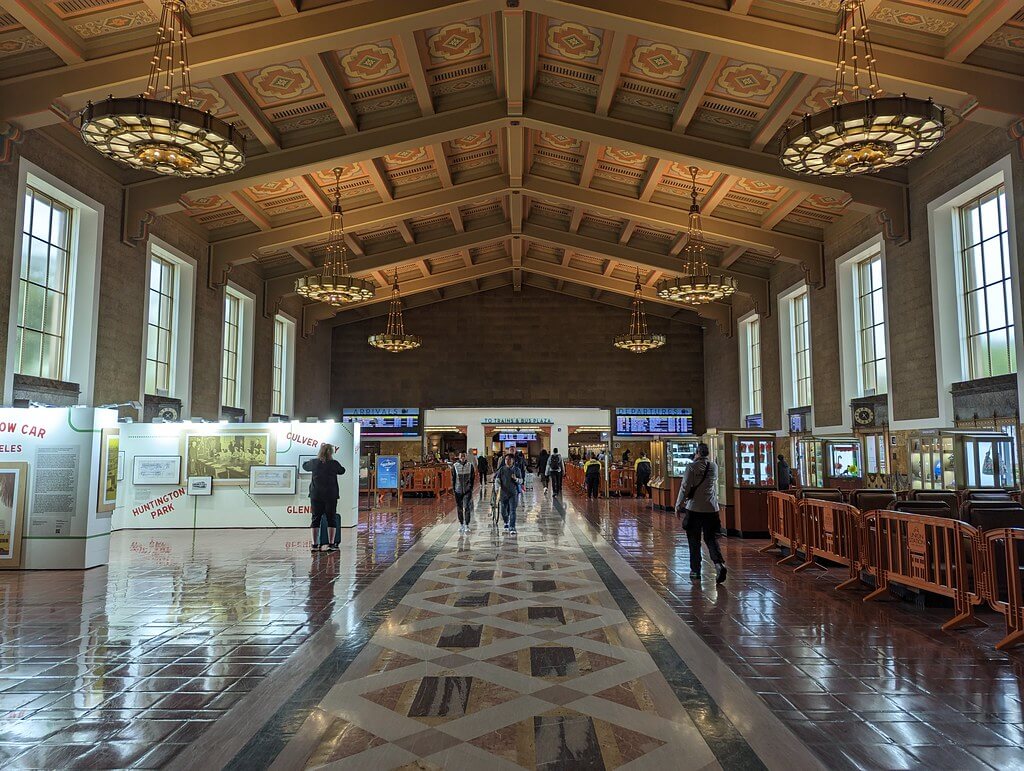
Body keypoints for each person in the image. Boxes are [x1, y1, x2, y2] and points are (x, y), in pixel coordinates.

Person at [675, 442, 726, 584]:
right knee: (711, 539)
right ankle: (719, 564)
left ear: (697, 452)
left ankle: (696, 570)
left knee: (694, 540)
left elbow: (685, 487)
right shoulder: (713, 466)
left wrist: (678, 505)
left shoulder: (692, 467)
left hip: (695, 508)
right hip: (711, 509)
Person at [303, 443, 346, 553]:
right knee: (331, 518)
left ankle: (314, 544)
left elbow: (304, 466)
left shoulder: (314, 463)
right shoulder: (334, 463)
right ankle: (331, 544)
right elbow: (342, 470)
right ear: (331, 452)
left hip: (316, 495)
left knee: (315, 518)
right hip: (331, 495)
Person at [494, 454, 522, 535]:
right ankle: (506, 521)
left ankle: (512, 527)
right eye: (506, 459)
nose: (507, 461)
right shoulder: (502, 469)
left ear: (513, 460)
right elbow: (497, 480)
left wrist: (516, 479)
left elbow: (521, 481)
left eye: (509, 459)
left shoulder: (517, 470)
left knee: (513, 511)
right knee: (503, 511)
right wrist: (497, 489)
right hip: (503, 493)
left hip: (513, 493)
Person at [451, 451, 476, 532]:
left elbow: (472, 478)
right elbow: (453, 478)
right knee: (459, 508)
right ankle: (461, 524)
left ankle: (467, 525)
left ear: (466, 457)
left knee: (467, 507)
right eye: (461, 456)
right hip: (458, 490)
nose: (462, 457)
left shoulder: (470, 466)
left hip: (467, 490)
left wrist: (471, 488)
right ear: (458, 456)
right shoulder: (455, 466)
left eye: (464, 456)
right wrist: (453, 489)